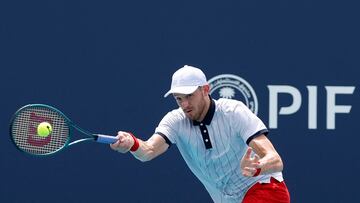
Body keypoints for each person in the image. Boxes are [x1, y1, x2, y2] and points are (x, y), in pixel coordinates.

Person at [110, 65, 290, 203]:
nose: (185, 104)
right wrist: (131, 143)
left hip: (265, 190)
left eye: (189, 96)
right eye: (179, 99)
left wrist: (257, 166)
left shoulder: (233, 111)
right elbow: (148, 151)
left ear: (205, 89)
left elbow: (275, 159)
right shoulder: (175, 120)